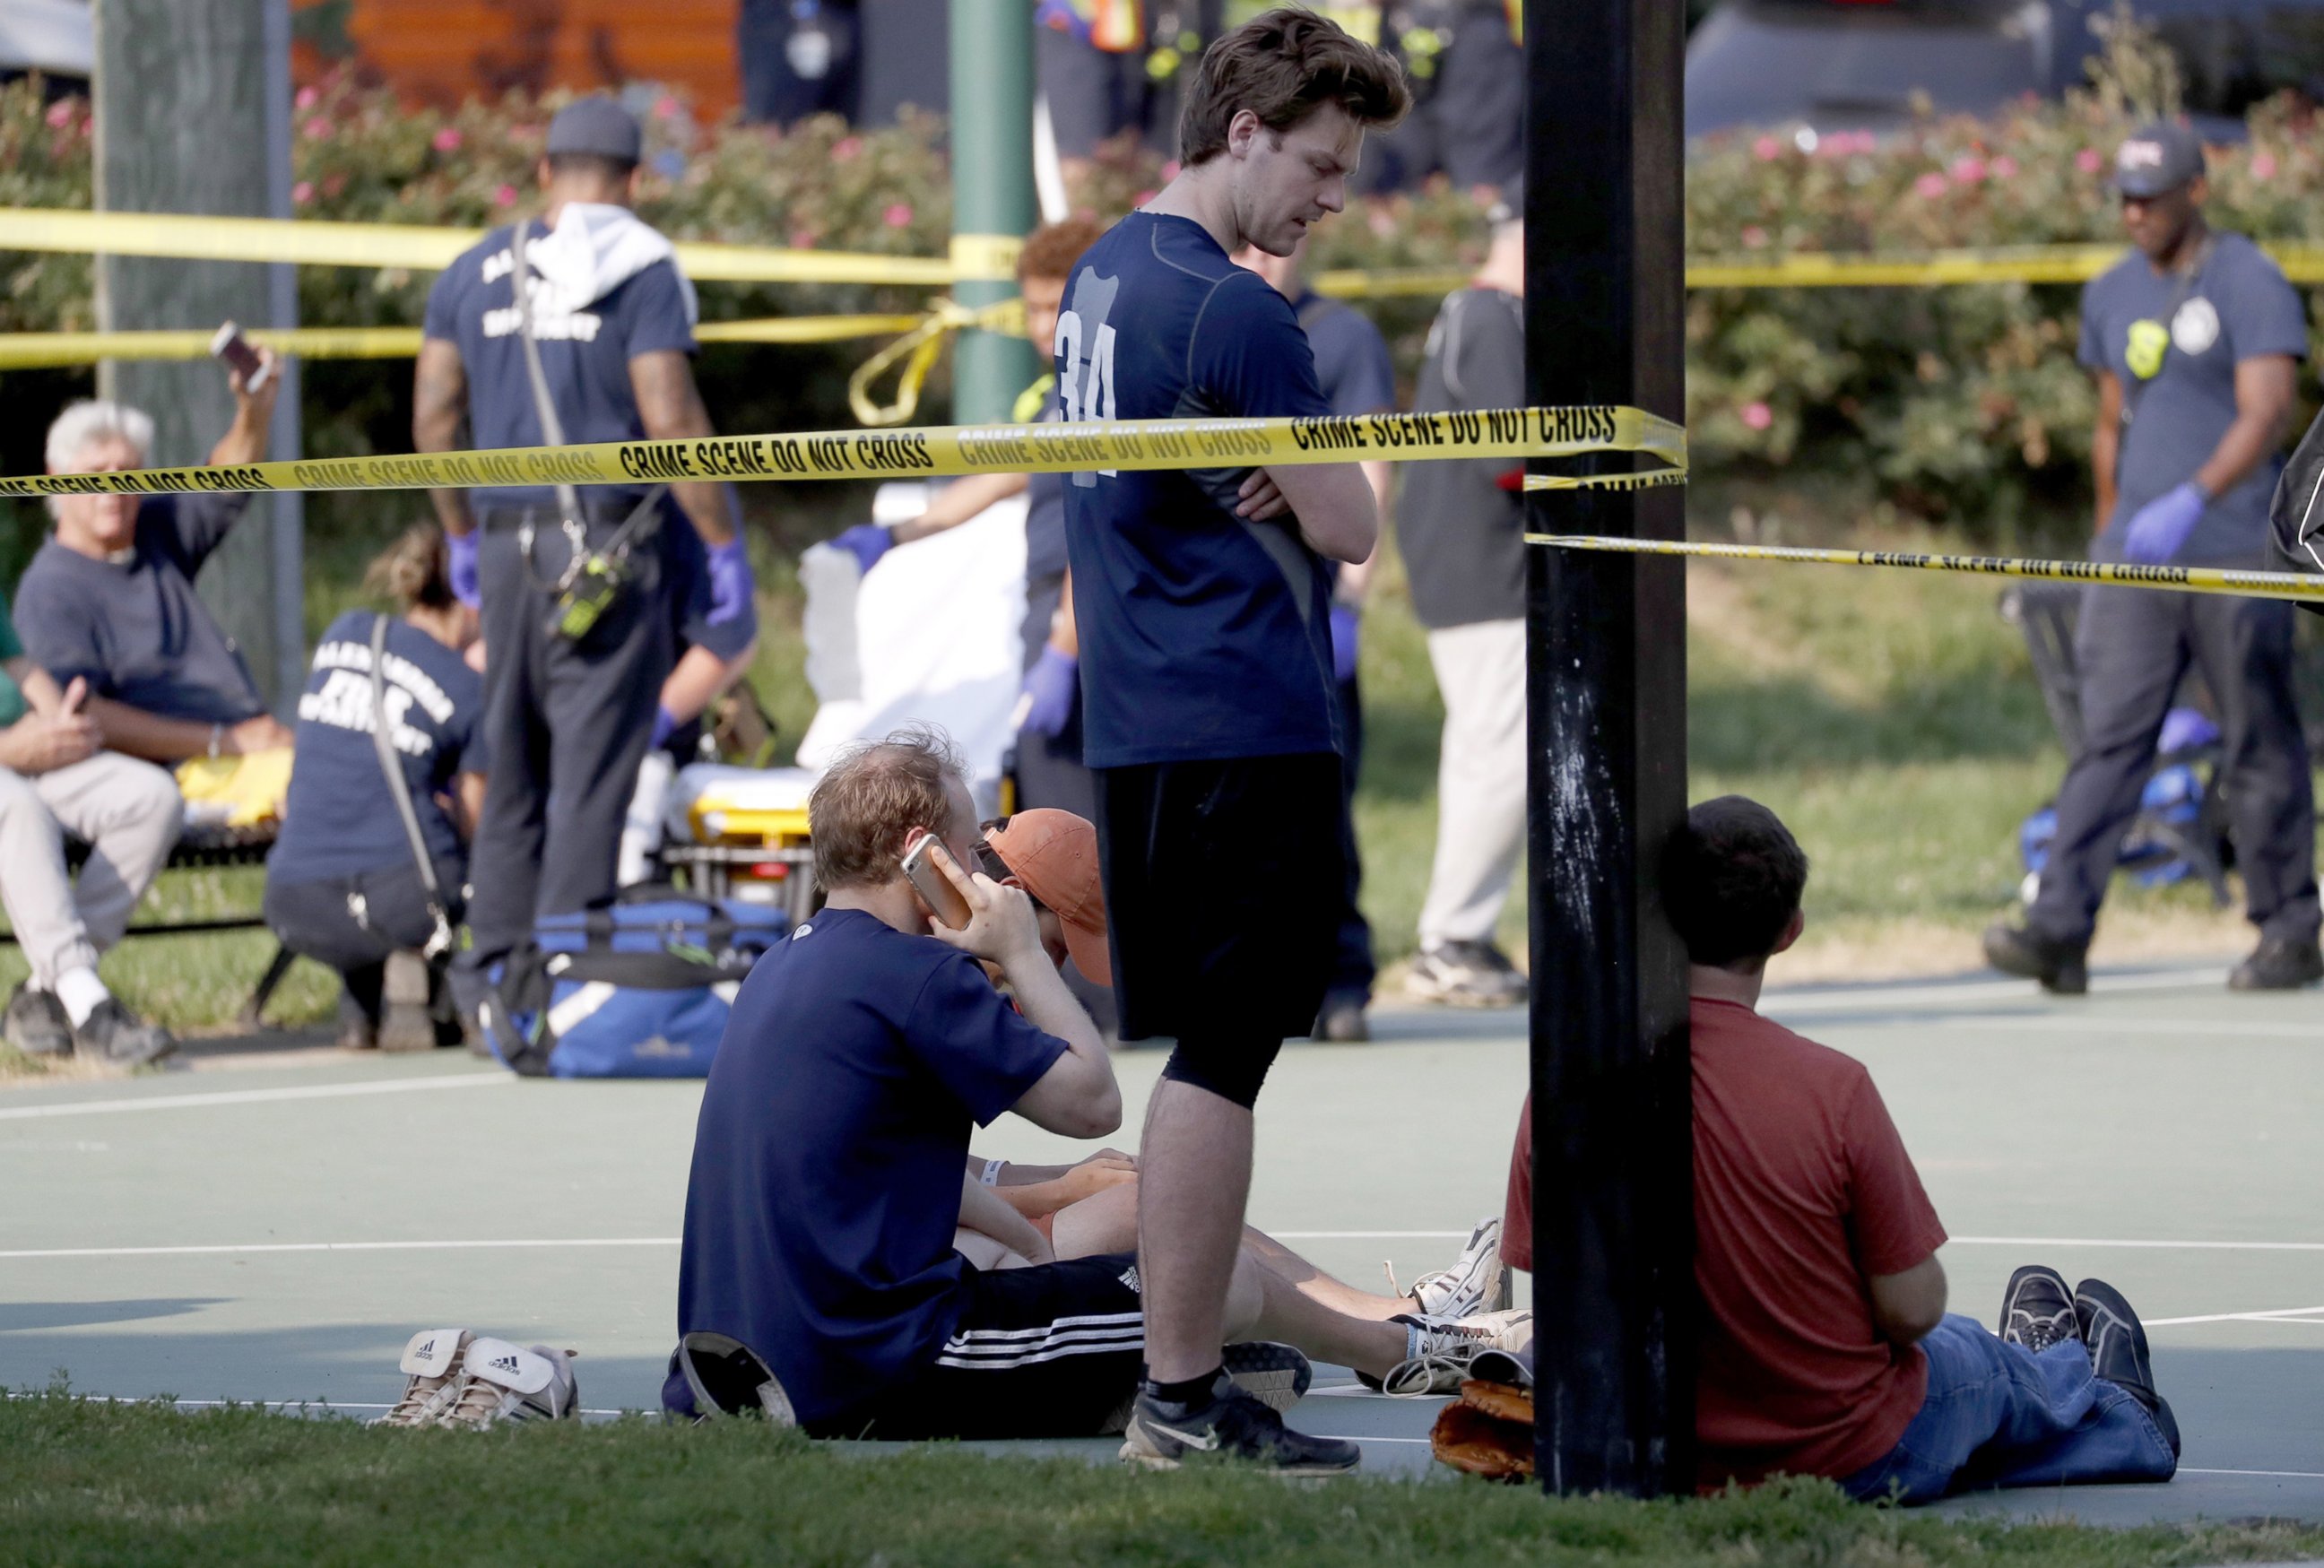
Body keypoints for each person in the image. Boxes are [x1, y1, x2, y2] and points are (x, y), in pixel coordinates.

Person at [667, 729, 1525, 1457]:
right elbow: (1092, 1104)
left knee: (1151, 1234)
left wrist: (1053, 1197)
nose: (977, 869)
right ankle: (1395, 1351)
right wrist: (1023, 954)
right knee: (1208, 1282)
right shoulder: (921, 973)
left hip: (746, 1361)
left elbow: (878, 1165)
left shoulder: (785, 964)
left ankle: (1371, 1337)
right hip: (877, 1363)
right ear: (920, 855)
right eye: (967, 850)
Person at [1055, 8, 1408, 1471]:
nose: (1328, 202)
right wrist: (1290, 459)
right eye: (1319, 167)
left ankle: (1185, 1381)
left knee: (1213, 1048)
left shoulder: (1100, 271)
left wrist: (1262, 454)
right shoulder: (1238, 313)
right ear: (1245, 128)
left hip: (1139, 719)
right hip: (1234, 722)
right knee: (1222, 1055)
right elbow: (1352, 527)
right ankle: (1181, 1395)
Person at [1505, 797, 2181, 1502]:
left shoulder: (1567, 1089)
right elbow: (1910, 1311)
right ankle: (2104, 1397)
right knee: (1968, 1354)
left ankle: (2054, 1381)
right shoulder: (1834, 1089)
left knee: (1955, 1369)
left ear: (1657, 912)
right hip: (1844, 1454)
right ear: (1790, 930)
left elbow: (1550, 1289)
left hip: (1651, 1455)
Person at [413, 96, 752, 1009]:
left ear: (543, 174)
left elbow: (433, 417)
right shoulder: (641, 268)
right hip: (604, 554)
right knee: (592, 773)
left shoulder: (472, 269)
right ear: (635, 181)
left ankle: (496, 980)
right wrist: (722, 547)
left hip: (506, 546)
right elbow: (670, 414)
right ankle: (562, 986)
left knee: (513, 762)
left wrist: (458, 535)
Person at [1984, 122, 2318, 996]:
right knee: (2109, 740)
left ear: (2195, 191)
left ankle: (2289, 928)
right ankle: (2058, 929)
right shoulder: (2111, 292)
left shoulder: (2250, 280)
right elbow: (2110, 424)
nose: (2134, 213)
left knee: (2256, 737)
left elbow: (2269, 409)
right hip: (2133, 560)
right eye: (2124, 199)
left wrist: (2195, 497)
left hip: (2235, 546)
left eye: (2151, 197)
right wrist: (2110, 532)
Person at [830, 216, 1109, 828]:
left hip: (1085, 622)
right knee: (1044, 809)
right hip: (1055, 618)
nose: (1039, 328)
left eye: (1052, 308)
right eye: (1030, 309)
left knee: (1071, 832)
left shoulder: (1105, 394)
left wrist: (1065, 646)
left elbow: (1098, 539)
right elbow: (1005, 472)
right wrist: (900, 534)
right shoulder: (1057, 395)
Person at [1232, 231, 1396, 1043]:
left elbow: (1369, 463)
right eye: (1249, 250)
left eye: (1281, 249)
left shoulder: (1340, 335)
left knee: (1322, 811)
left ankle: (1342, 980)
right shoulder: (1210, 331)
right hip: (1228, 623)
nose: (1265, 262)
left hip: (1312, 615)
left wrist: (1350, 605)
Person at [263, 524, 488, 1053]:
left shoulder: (344, 633)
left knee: (363, 825)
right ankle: (430, 987)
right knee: (437, 851)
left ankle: (359, 1012)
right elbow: (479, 826)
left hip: (292, 901)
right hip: (402, 903)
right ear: (471, 597)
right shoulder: (468, 689)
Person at [20, 369, 296, 779]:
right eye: (96, 476)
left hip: (253, 744)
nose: (113, 490)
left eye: (127, 474)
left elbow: (225, 479)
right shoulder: (49, 590)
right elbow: (84, 714)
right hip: (178, 773)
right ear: (56, 481)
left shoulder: (153, 530)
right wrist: (223, 741)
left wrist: (254, 410)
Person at [1395, 186, 1528, 1007]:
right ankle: (1450, 937)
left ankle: (1460, 930)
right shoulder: (1489, 316)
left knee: (1493, 753)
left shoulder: (1483, 315)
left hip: (1479, 565)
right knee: (1498, 757)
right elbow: (1511, 456)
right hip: (1483, 570)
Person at [0, 589, 181, 1068]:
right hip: (8, 769)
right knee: (17, 806)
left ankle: (49, 988)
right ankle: (91, 1010)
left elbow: (19, 665)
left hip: (25, 757)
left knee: (152, 797)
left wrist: (60, 726)